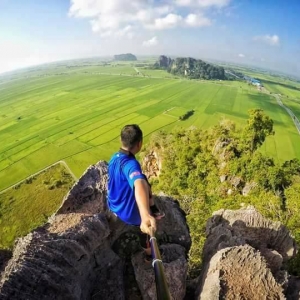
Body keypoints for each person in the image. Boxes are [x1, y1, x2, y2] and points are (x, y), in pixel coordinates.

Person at [107, 124, 164, 239]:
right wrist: (145, 216)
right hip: (128, 214)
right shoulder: (131, 164)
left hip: (113, 204)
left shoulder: (114, 157)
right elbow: (139, 183)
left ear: (121, 140)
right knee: (143, 180)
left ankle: (152, 207)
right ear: (139, 144)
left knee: (143, 177)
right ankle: (148, 255)